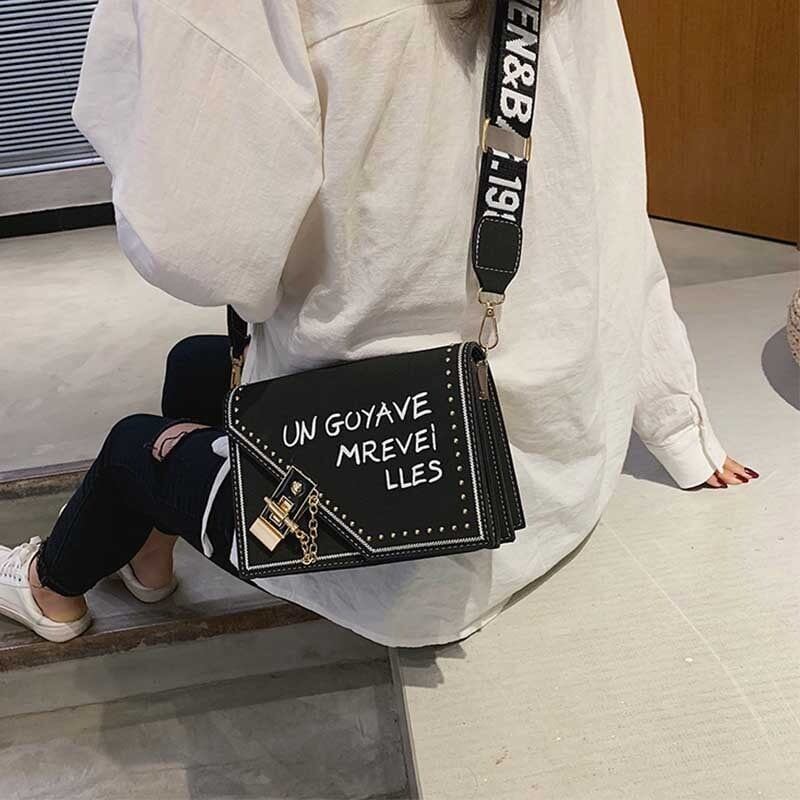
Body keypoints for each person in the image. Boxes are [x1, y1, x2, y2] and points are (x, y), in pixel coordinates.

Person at [0, 0, 759, 645]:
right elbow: (617, 204)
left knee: (131, 452)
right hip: (551, 475)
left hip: (399, 557)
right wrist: (679, 427)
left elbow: (199, 252)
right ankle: (152, 556)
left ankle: (49, 588)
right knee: (196, 366)